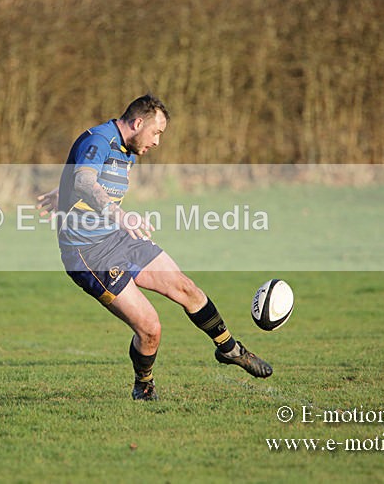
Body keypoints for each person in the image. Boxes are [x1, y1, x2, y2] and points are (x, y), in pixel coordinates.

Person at [37, 94, 271, 401]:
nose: (158, 141)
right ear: (137, 123)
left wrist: (62, 191)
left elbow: (85, 176)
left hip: (120, 237)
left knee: (186, 289)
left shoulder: (128, 148)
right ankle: (143, 386)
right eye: (156, 132)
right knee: (151, 328)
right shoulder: (98, 139)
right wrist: (116, 212)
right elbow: (84, 179)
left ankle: (230, 348)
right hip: (89, 254)